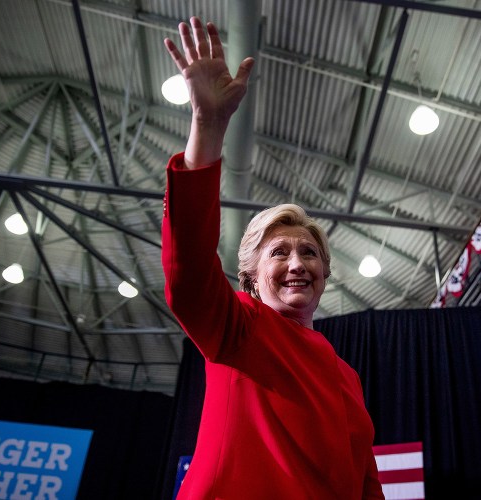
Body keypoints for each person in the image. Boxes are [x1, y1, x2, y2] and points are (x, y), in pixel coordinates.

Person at [162, 17, 385, 499]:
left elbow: (366, 484)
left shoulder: (347, 377)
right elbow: (189, 273)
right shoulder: (238, 325)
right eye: (278, 253)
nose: (297, 264)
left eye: (309, 252)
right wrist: (208, 125)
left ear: (325, 271)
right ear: (250, 275)